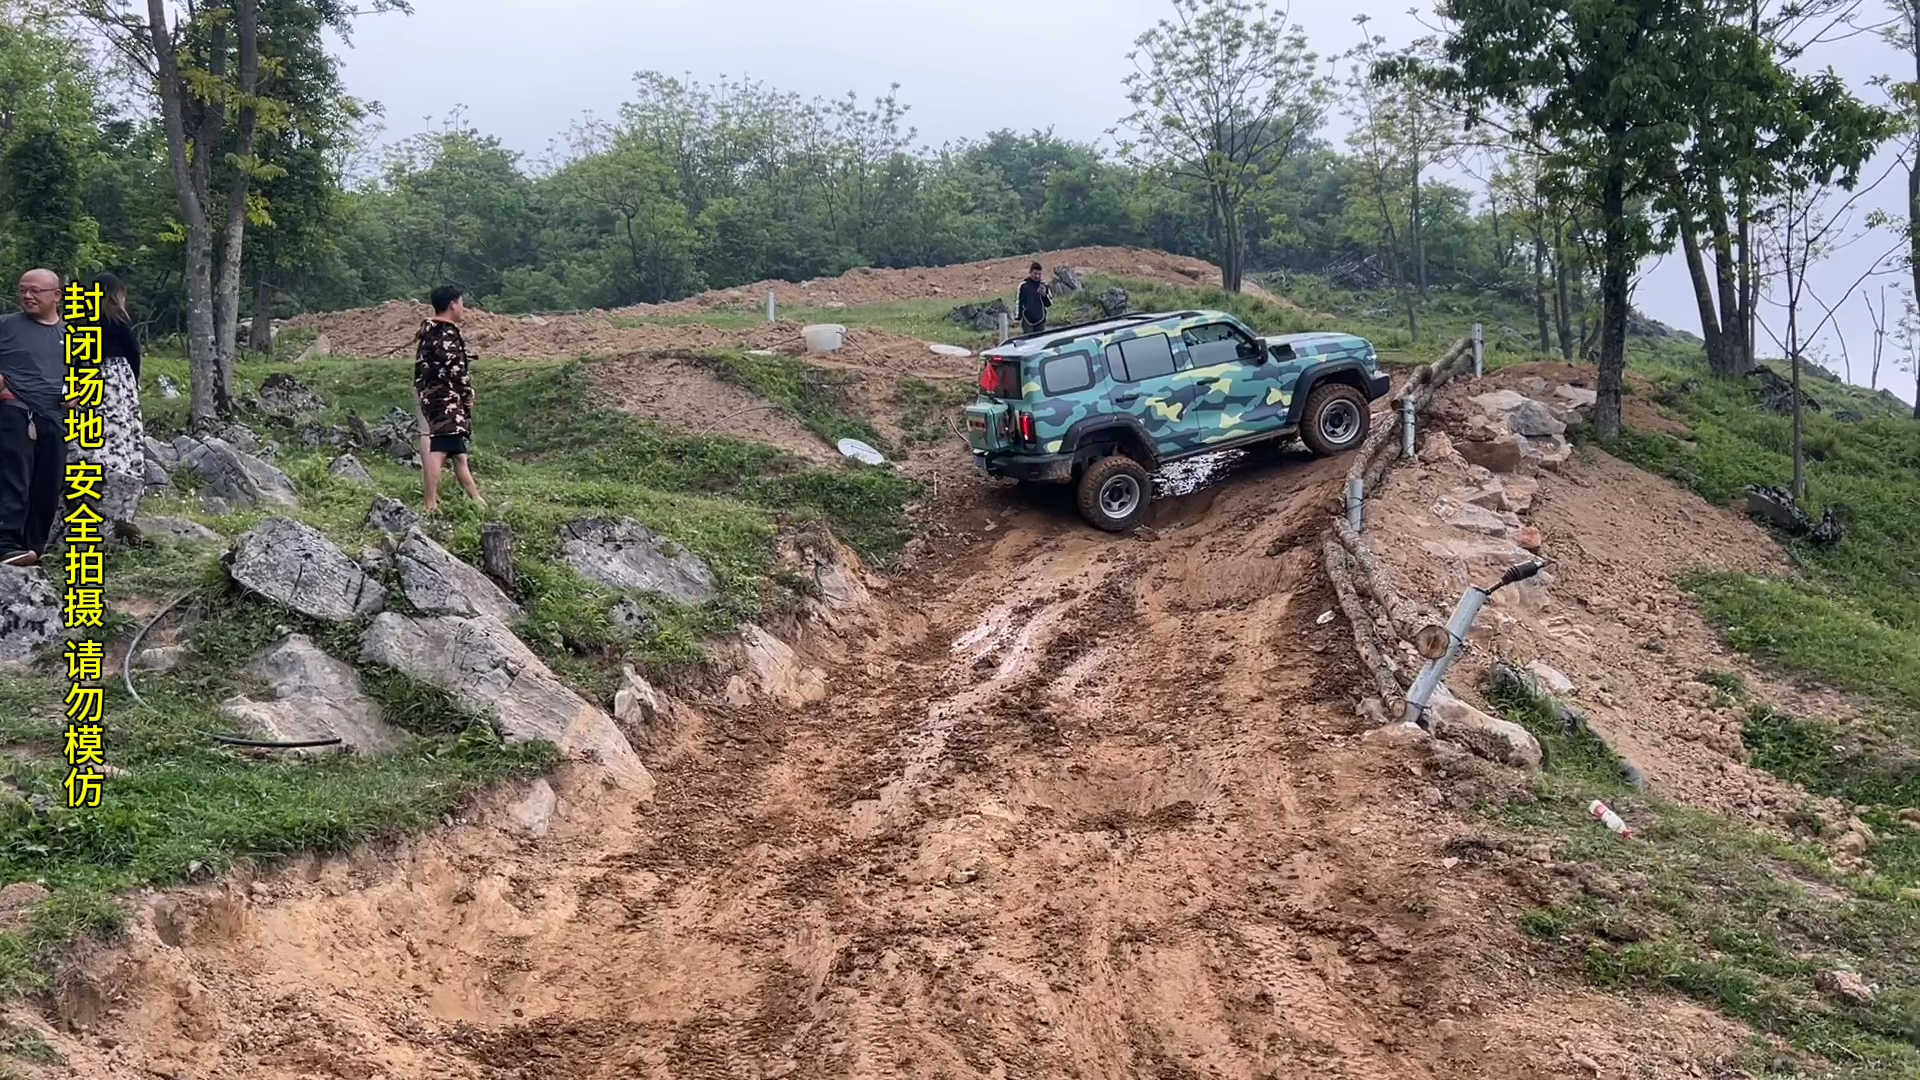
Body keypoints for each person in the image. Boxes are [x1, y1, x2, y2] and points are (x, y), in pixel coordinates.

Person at [67, 273, 147, 542]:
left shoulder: (80, 316)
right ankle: (117, 471)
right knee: (117, 427)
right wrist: (134, 383)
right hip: (114, 379)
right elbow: (133, 353)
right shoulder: (117, 318)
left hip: (86, 377)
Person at [0, 269, 70, 566]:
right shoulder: (6, 325)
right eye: (23, 290)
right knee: (13, 478)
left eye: (35, 291)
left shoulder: (71, 334)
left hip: (54, 418)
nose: (27, 295)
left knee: (48, 484)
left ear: (57, 296)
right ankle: (4, 544)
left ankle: (31, 548)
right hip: (14, 409)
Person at [413, 284, 484, 513]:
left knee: (458, 454)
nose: (463, 308)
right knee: (441, 449)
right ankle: (430, 502)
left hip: (431, 396)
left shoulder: (428, 331)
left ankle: (476, 500)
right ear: (452, 304)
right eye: (461, 303)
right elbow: (456, 370)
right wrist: (467, 394)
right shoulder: (446, 333)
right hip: (446, 399)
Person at [1017, 261, 1051, 335]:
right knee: (1029, 341)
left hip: (1041, 318)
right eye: (1035, 273)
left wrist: (1044, 295)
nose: (1037, 276)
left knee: (1040, 340)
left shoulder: (1044, 285)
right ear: (1030, 272)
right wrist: (1018, 317)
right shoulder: (1024, 285)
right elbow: (1019, 301)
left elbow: (1049, 303)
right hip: (1027, 318)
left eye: (1039, 274)